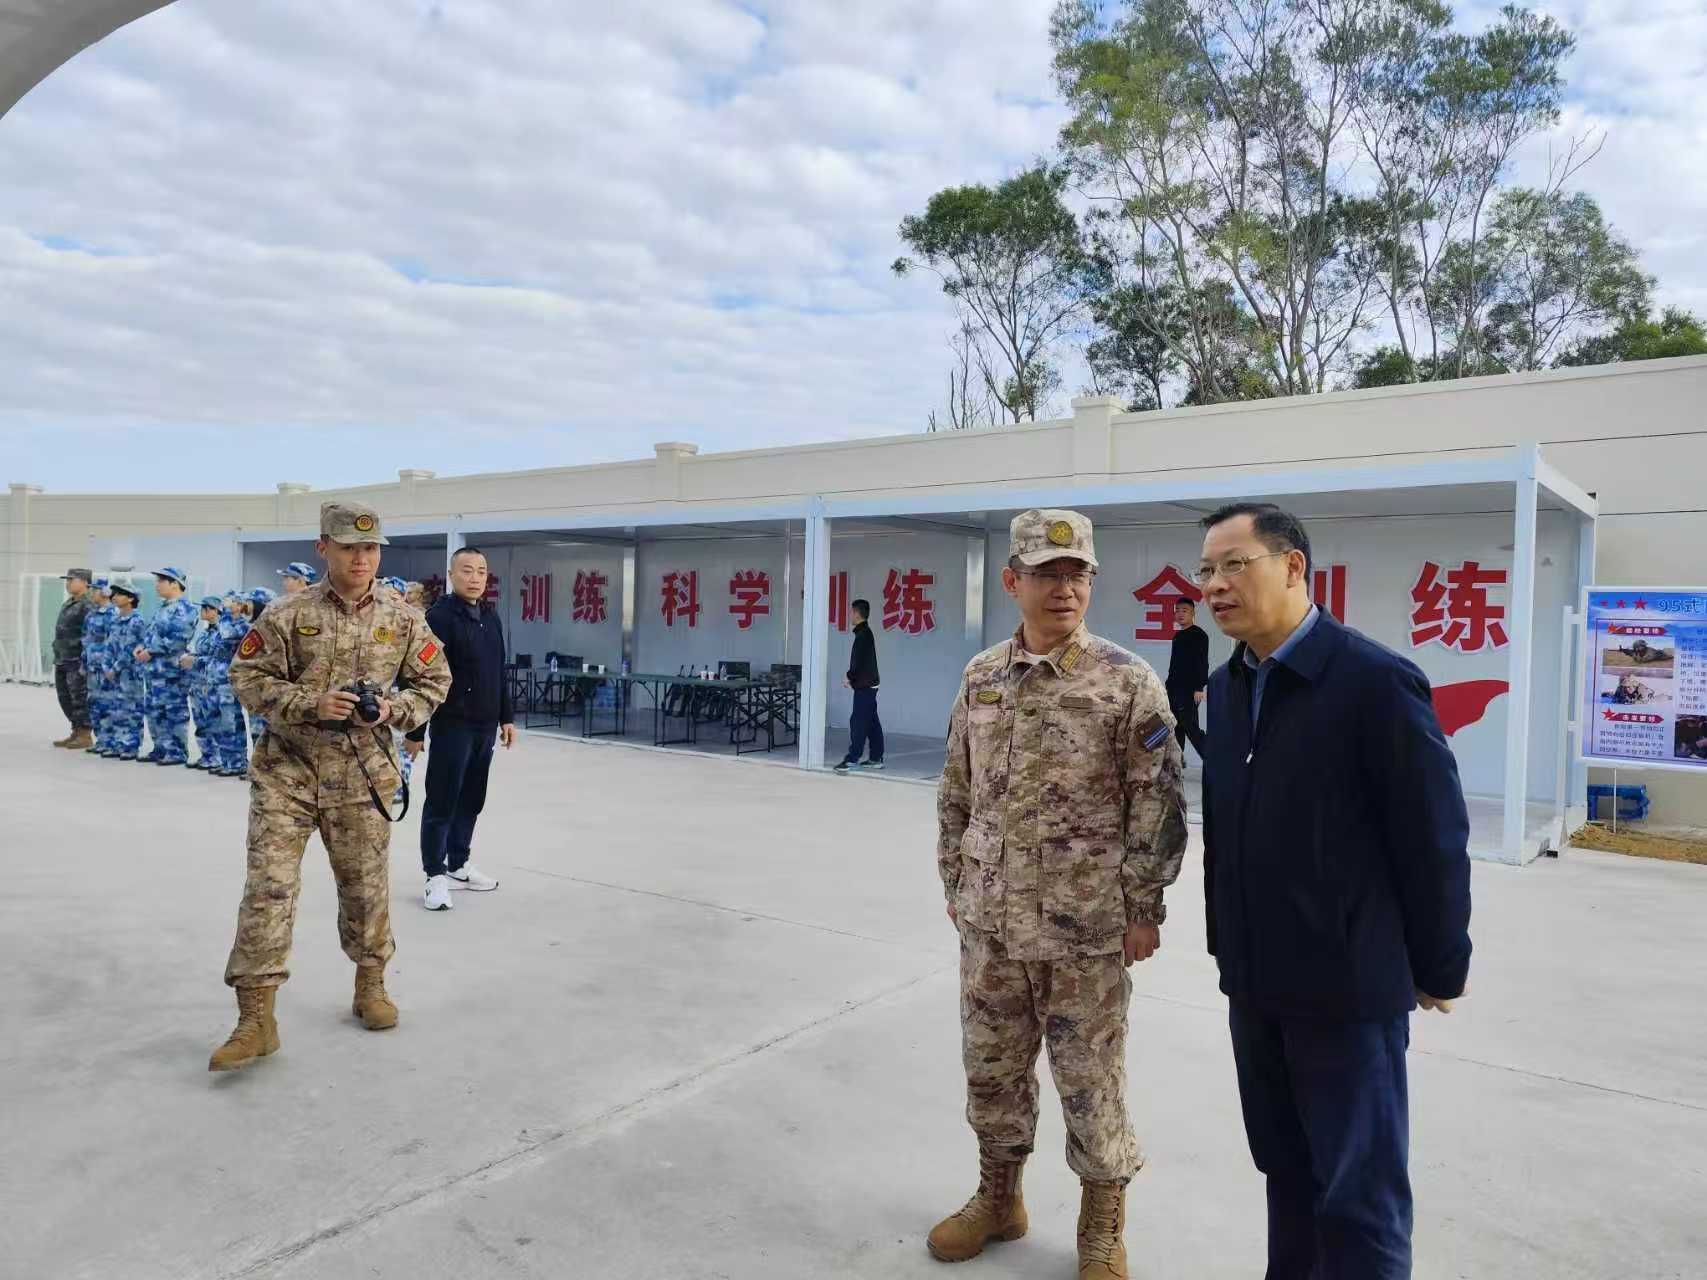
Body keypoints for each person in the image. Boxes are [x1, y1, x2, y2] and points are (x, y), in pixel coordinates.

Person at [1195, 502, 1472, 1280]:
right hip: (1254, 983)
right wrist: (1227, 952)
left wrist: (1439, 965)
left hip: (1346, 991)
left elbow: (1432, 837)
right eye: (1205, 570)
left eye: (1233, 564)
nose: (1213, 585)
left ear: (1292, 567)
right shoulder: (1225, 689)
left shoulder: (1372, 681)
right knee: (1284, 1171)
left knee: (1357, 1195)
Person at [931, 509, 1188, 1280]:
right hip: (991, 923)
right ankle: (998, 1198)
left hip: (1086, 927)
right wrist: (955, 881)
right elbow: (956, 789)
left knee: (1089, 1077)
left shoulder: (1126, 681)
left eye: (1077, 574)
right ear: (1012, 581)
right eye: (1047, 574)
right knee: (991, 1066)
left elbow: (1158, 806)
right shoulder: (981, 676)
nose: (1064, 588)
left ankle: (1101, 1225)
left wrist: (1144, 907)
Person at [210, 502, 450, 1072]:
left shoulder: (403, 617)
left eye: (369, 549)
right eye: (348, 548)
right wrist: (307, 703)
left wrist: (391, 710)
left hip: (362, 777)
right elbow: (247, 675)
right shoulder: (286, 613)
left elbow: (434, 680)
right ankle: (256, 1017)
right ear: (324, 548)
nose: (361, 558)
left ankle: (371, 984)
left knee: (366, 889)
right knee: (268, 888)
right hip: (287, 773)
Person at [403, 546, 514, 911]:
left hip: (485, 726)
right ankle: (434, 875)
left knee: (471, 798)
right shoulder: (439, 618)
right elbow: (421, 677)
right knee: (442, 800)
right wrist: (416, 732)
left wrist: (506, 717)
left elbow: (499, 671)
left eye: (481, 571)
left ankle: (458, 864)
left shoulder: (490, 617)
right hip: (452, 726)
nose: (475, 577)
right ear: (451, 575)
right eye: (466, 570)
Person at [133, 567, 197, 765]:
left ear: (175, 584)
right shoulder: (162, 608)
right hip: (154, 671)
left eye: (161, 581)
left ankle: (176, 751)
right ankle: (160, 747)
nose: (157, 585)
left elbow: (179, 638)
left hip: (171, 672)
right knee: (155, 710)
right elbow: (151, 634)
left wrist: (151, 651)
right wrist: (141, 646)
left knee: (173, 711)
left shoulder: (185, 609)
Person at [834, 597, 884, 773]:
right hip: (869, 684)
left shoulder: (863, 635)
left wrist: (849, 677)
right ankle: (876, 758)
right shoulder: (864, 633)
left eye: (851, 611)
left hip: (865, 686)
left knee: (858, 722)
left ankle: (852, 759)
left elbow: (857, 663)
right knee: (871, 722)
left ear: (856, 613)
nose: (850, 615)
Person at [103, 585, 149, 760]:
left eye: (120, 594)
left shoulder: (137, 621)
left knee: (131, 710)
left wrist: (115, 668)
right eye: (114, 594)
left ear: (131, 598)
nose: (115, 597)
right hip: (113, 673)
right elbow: (109, 645)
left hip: (130, 673)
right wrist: (107, 666)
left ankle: (130, 746)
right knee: (116, 708)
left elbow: (130, 649)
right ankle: (117, 743)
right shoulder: (115, 620)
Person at [52, 568, 94, 750]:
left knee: (79, 697)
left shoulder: (88, 604)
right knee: (65, 697)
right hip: (63, 657)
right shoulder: (70, 602)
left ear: (85, 582)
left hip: (76, 659)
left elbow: (91, 633)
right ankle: (76, 730)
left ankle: (85, 734)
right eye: (67, 580)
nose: (68, 583)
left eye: (72, 580)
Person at [1165, 598, 1209, 762]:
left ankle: (1213, 761)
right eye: (1177, 610)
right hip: (1173, 690)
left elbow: (1202, 662)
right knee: (1176, 729)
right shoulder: (1177, 636)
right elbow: (1174, 664)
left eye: (1184, 611)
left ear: (1193, 613)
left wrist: (1199, 687)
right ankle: (1176, 765)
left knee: (1191, 729)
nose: (1180, 614)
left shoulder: (1199, 635)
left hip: (1189, 691)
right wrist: (1168, 686)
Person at [182, 596, 224, 769]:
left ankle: (217, 757)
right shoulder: (206, 632)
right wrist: (190, 657)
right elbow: (201, 653)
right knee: (201, 722)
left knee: (213, 721)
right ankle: (206, 755)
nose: (202, 611)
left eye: (205, 608)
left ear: (214, 610)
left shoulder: (223, 632)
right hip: (198, 683)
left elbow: (219, 658)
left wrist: (194, 660)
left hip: (212, 684)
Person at [79, 579, 117, 755]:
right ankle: (101, 739)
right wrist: (84, 662)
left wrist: (110, 666)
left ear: (105, 592)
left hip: (104, 667)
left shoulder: (112, 614)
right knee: (94, 703)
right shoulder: (91, 615)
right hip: (92, 667)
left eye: (94, 590)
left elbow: (114, 642)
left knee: (107, 704)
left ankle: (111, 741)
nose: (91, 593)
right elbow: (86, 640)